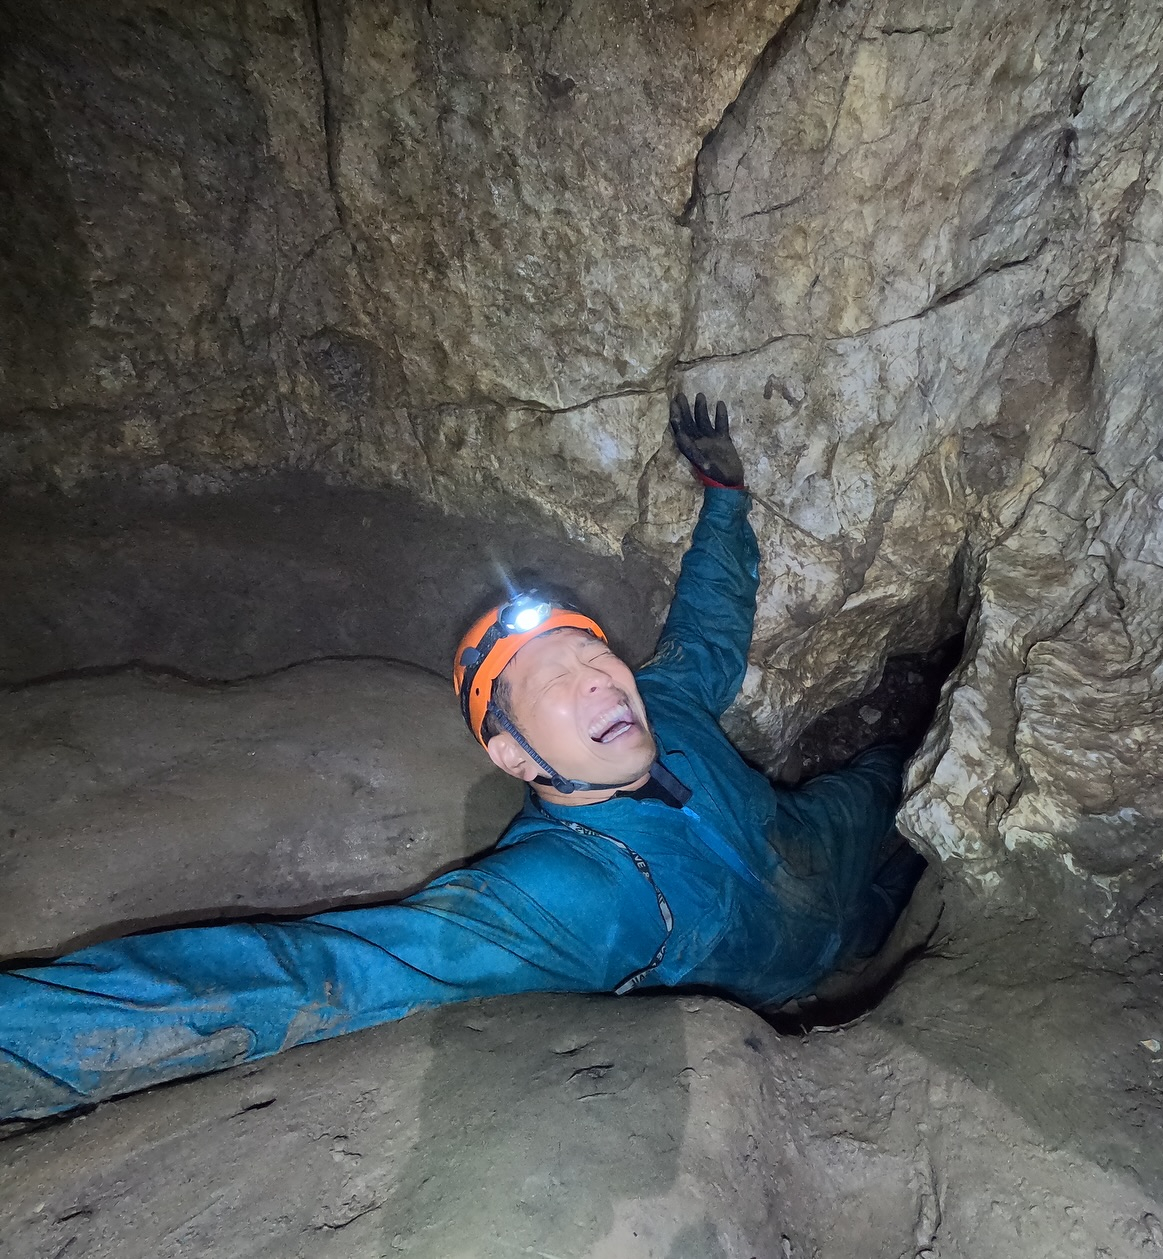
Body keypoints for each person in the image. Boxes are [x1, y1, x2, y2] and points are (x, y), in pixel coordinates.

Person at [0, 394, 926, 1121]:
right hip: (791, 972)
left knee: (899, 779)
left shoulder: (668, 703)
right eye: (552, 680)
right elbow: (317, 972)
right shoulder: (565, 892)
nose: (599, 679)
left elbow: (708, 630)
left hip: (816, 832)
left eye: (594, 652)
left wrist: (725, 506)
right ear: (512, 753)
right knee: (886, 913)